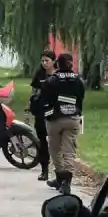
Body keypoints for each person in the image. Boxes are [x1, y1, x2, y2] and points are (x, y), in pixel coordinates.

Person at [40, 53, 85, 194]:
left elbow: (44, 100)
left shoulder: (52, 80)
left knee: (55, 149)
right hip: (72, 118)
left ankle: (60, 176)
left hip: (55, 119)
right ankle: (66, 182)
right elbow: (80, 98)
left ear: (57, 64)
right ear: (71, 64)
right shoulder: (78, 80)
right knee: (69, 151)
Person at [28, 50, 57, 181]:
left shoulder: (59, 74)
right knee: (42, 142)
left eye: (47, 61)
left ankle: (59, 172)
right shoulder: (39, 74)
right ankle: (44, 169)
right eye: (43, 61)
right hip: (41, 112)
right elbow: (34, 91)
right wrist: (31, 104)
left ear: (54, 61)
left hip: (56, 112)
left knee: (56, 142)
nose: (44, 63)